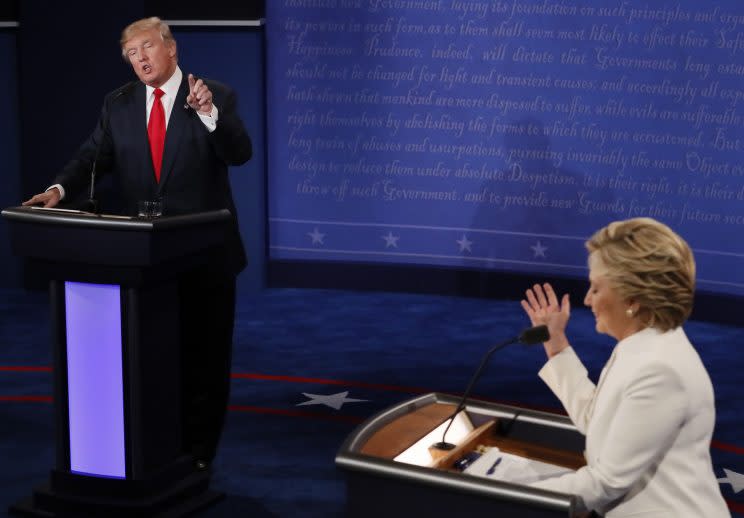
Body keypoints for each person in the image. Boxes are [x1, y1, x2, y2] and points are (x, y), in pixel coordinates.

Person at [23, 17, 252, 471]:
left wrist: (209, 115)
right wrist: (58, 191)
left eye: (147, 47)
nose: (141, 58)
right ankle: (159, 450)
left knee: (204, 361)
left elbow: (239, 153)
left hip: (205, 256)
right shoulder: (119, 104)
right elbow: (92, 157)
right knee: (154, 360)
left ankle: (199, 456)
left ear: (171, 49)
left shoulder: (214, 95)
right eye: (132, 53)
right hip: (144, 260)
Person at [520, 218, 729, 517]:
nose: (587, 299)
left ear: (632, 299)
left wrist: (504, 491)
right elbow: (596, 420)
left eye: (595, 288)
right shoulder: (643, 347)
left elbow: (606, 482)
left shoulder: (660, 368)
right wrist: (555, 343)